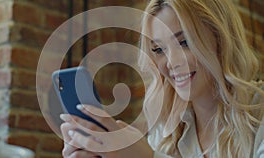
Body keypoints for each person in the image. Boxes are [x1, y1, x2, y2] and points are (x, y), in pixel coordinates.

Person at [60, 0, 264, 157]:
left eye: (184, 42)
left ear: (220, 38)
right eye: (159, 49)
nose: (172, 62)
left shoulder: (259, 115)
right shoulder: (166, 128)